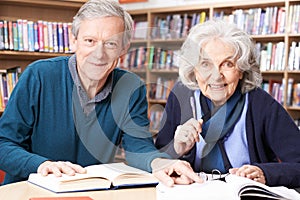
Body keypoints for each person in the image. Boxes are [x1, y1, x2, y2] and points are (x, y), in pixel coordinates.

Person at [0, 0, 202, 187]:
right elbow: (3, 143)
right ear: (74, 41)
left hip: (89, 192)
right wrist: (41, 165)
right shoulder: (40, 75)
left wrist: (160, 164)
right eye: (90, 41)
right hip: (28, 190)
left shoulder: (132, 87)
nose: (99, 53)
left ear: (124, 48)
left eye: (111, 43)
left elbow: (138, 148)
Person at [155, 19, 300, 188]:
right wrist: (177, 149)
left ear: (242, 70)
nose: (216, 76)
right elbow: (156, 160)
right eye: (205, 64)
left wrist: (265, 173)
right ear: (193, 70)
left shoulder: (261, 104)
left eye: (228, 64)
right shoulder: (180, 96)